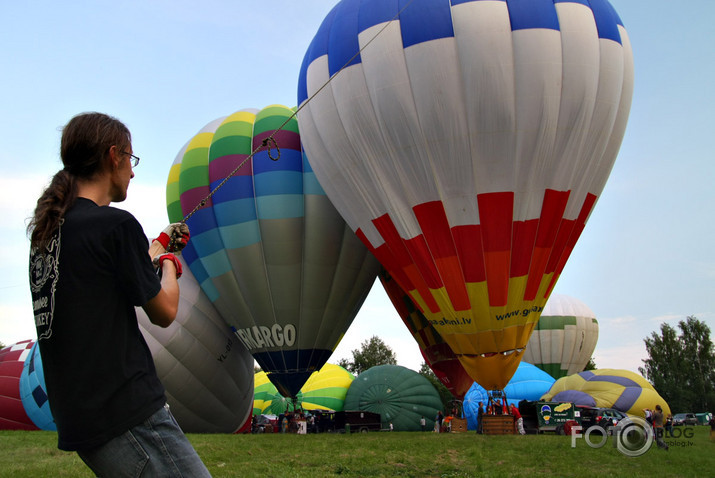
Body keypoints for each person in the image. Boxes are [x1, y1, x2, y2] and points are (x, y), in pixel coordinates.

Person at [27, 112, 210, 477]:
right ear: (114, 156)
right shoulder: (117, 225)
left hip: (81, 418)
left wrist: (157, 246)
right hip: (128, 411)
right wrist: (171, 263)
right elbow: (164, 310)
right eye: (131, 159)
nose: (133, 171)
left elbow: (101, 278)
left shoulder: (48, 235)